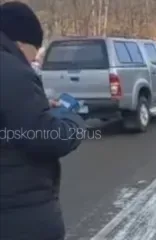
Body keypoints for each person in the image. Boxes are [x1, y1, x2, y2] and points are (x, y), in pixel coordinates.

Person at [0, 2, 86, 240]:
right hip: (17, 214)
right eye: (35, 50)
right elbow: (44, 138)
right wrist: (73, 120)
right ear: (20, 42)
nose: (34, 59)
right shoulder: (11, 70)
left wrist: (38, 106)